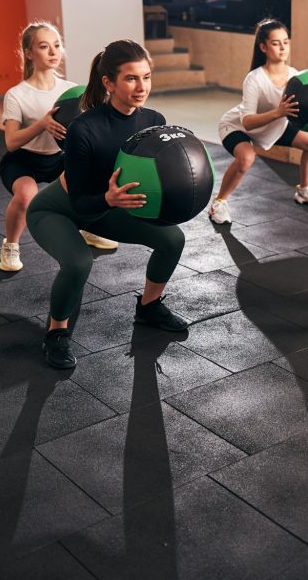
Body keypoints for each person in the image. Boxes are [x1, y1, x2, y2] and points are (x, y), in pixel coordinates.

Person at [26, 40, 188, 368]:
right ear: (108, 83)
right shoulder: (85, 128)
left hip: (107, 206)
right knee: (79, 262)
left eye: (146, 77)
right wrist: (109, 198)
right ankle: (57, 333)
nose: (141, 87)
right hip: (60, 209)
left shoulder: (154, 119)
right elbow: (81, 202)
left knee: (173, 238)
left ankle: (149, 307)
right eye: (131, 78)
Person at [0, 22, 118, 272]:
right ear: (29, 53)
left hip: (60, 158)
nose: (53, 52)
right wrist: (43, 124)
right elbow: (11, 142)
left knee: (87, 183)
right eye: (44, 46)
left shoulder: (71, 90)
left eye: (56, 46)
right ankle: (10, 244)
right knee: (25, 197)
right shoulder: (17, 94)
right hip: (23, 159)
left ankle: (89, 229)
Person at [208, 18, 308, 224]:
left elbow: (298, 111)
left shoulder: (295, 76)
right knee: (246, 158)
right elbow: (247, 122)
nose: (282, 48)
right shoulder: (254, 79)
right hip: (237, 126)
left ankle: (305, 190)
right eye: (275, 43)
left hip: (273, 126)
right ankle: (219, 202)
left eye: (286, 42)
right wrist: (279, 112)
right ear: (263, 47)